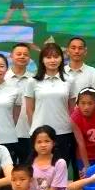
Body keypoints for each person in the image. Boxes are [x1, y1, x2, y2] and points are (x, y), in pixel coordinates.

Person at [24, 42, 75, 180]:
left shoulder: (69, 80)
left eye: (56, 57)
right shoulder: (32, 81)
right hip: (39, 134)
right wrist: (35, 129)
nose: (52, 60)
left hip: (63, 132)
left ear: (61, 59)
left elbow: (72, 108)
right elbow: (29, 109)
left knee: (60, 172)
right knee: (38, 174)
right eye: (48, 57)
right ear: (42, 60)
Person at [6, 42, 34, 165]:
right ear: (11, 56)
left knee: (26, 170)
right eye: (18, 54)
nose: (22, 56)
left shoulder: (35, 79)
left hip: (28, 133)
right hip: (6, 134)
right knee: (6, 171)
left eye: (25, 54)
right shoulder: (2, 78)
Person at [70, 87, 95, 170]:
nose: (86, 107)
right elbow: (80, 142)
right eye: (83, 103)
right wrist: (87, 166)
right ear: (77, 104)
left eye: (90, 103)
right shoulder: (74, 117)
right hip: (83, 156)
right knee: (86, 176)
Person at [64, 36, 95, 100]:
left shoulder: (93, 73)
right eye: (73, 48)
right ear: (67, 51)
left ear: (85, 51)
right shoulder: (60, 72)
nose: (76, 51)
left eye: (80, 48)